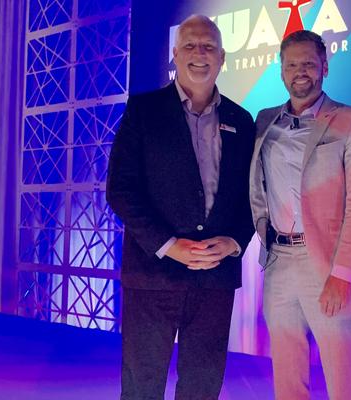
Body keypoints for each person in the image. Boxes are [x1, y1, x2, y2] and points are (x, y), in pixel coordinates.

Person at [106, 14, 255, 400]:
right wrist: (169, 245)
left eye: (208, 46)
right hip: (152, 274)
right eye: (190, 45)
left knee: (203, 387)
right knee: (141, 387)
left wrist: (235, 242)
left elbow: (251, 196)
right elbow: (120, 190)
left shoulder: (241, 120)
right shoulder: (143, 110)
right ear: (175, 55)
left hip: (215, 278)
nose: (199, 54)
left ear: (222, 57)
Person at [249, 30, 351, 400]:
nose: (300, 71)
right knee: (287, 375)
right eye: (292, 65)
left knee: (341, 374)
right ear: (281, 71)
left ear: (324, 67)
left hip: (327, 263)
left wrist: (343, 273)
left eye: (308, 63)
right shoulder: (265, 121)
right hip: (278, 262)